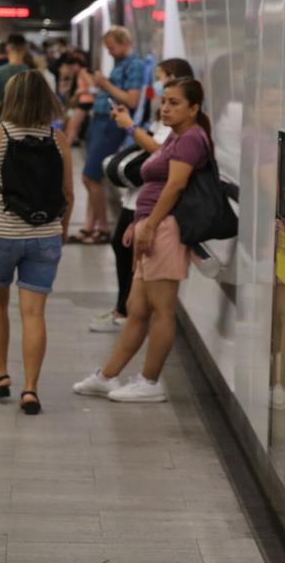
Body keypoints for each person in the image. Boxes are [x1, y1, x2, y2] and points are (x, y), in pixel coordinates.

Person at [73, 77, 213, 403]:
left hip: (165, 230)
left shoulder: (192, 139)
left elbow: (175, 186)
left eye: (175, 103)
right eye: (164, 101)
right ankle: (107, 376)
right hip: (151, 226)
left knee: (162, 309)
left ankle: (150, 382)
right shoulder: (177, 137)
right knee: (137, 308)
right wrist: (140, 222)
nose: (165, 108)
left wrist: (149, 224)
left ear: (194, 108)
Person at [0, 70, 73, 415]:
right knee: (34, 313)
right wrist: (62, 229)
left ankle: (1, 373)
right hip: (45, 235)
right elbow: (67, 193)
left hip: (1, 233)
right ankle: (31, 389)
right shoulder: (58, 139)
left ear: (11, 98)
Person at [89, 58, 194, 333]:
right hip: (139, 197)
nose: (156, 86)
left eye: (160, 77)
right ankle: (125, 310)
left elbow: (161, 152)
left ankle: (128, 313)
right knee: (123, 248)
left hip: (150, 203)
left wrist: (129, 127)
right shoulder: (164, 117)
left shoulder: (187, 131)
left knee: (130, 255)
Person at [73, 27, 146, 244]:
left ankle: (103, 228)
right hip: (100, 122)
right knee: (94, 177)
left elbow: (131, 99)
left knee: (90, 176)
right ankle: (89, 225)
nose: (110, 52)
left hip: (110, 124)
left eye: (112, 47)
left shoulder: (134, 65)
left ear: (125, 43)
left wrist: (105, 84)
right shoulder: (120, 64)